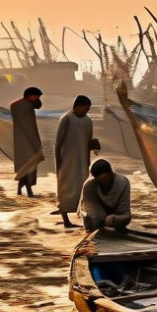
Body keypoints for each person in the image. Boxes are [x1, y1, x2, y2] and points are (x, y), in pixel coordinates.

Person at [54, 96, 99, 228]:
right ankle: (66, 221)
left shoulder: (88, 121)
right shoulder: (66, 119)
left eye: (89, 108)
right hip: (67, 161)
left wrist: (94, 146)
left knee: (82, 189)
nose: (87, 110)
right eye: (85, 107)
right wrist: (58, 164)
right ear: (77, 106)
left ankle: (83, 217)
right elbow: (58, 143)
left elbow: (88, 141)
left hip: (82, 161)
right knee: (65, 189)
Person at [8, 87, 45, 196]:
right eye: (37, 96)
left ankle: (20, 190)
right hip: (28, 142)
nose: (38, 99)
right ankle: (28, 191)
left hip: (20, 141)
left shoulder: (17, 106)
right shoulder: (27, 106)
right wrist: (36, 144)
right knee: (29, 166)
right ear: (31, 96)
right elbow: (29, 127)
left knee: (25, 166)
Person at [81, 159, 132, 233]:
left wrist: (116, 219)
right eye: (100, 181)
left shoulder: (123, 182)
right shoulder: (89, 186)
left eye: (105, 179)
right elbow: (93, 212)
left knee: (118, 219)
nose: (104, 183)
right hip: (97, 218)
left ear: (111, 173)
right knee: (93, 222)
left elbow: (125, 211)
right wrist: (103, 221)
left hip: (113, 217)